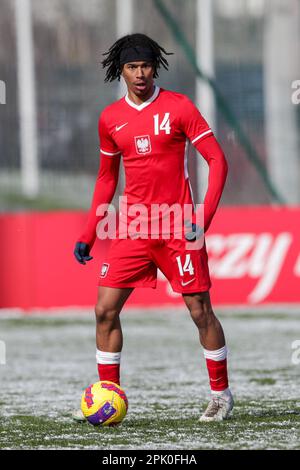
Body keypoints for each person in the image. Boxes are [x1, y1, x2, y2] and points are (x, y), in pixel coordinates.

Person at [73, 33, 233, 422]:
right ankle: (107, 397)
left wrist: (203, 218)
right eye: (132, 67)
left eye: (146, 65)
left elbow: (217, 161)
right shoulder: (111, 119)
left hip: (179, 227)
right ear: (121, 71)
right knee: (104, 311)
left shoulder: (179, 107)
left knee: (200, 311)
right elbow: (107, 180)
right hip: (131, 228)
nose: (140, 73)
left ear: (154, 67)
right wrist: (88, 233)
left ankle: (221, 395)